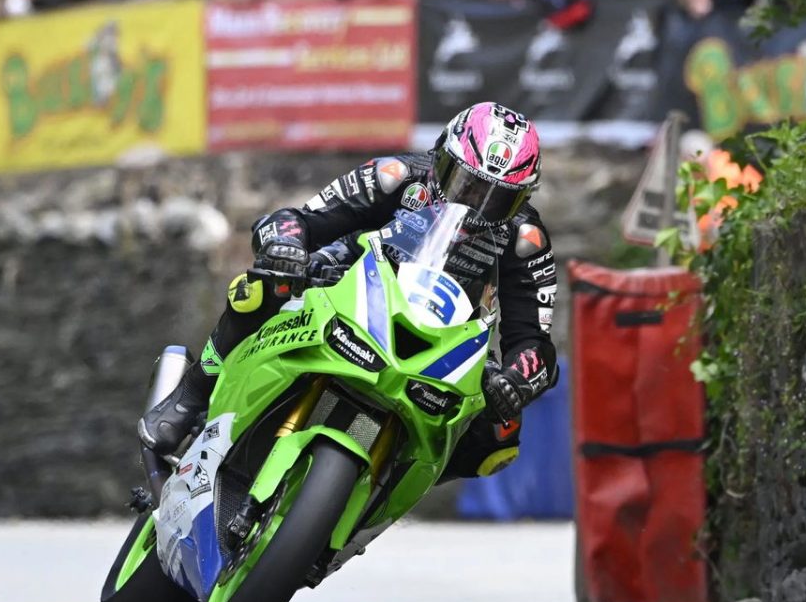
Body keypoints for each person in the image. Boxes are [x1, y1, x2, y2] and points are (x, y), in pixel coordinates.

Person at [139, 101, 558, 479]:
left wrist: (517, 380)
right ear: (439, 158)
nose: (474, 206)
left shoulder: (525, 239)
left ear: (520, 200)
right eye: (466, 184)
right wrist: (285, 245)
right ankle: (194, 391)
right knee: (261, 286)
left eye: (496, 199)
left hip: (445, 340)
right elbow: (295, 219)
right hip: (349, 288)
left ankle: (382, 496)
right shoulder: (395, 177)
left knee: (501, 436)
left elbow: (534, 344)